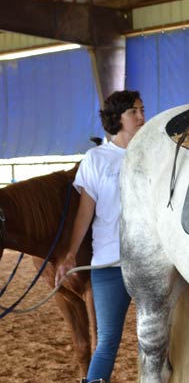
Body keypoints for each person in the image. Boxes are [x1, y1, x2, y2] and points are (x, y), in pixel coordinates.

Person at [55, 90, 145, 383]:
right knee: (106, 341)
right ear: (117, 118)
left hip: (149, 261)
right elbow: (85, 213)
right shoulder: (96, 159)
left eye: (142, 110)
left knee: (158, 338)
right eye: (134, 111)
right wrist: (69, 254)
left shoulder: (153, 152)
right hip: (108, 262)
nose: (142, 117)